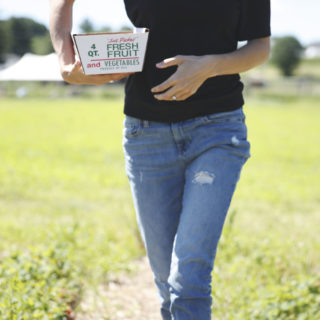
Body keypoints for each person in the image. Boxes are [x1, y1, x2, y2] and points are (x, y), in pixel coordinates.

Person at [49, 0, 271, 319]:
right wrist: (65, 60)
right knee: (168, 285)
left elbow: (260, 47)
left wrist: (210, 66)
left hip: (218, 132)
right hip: (146, 137)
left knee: (188, 280)